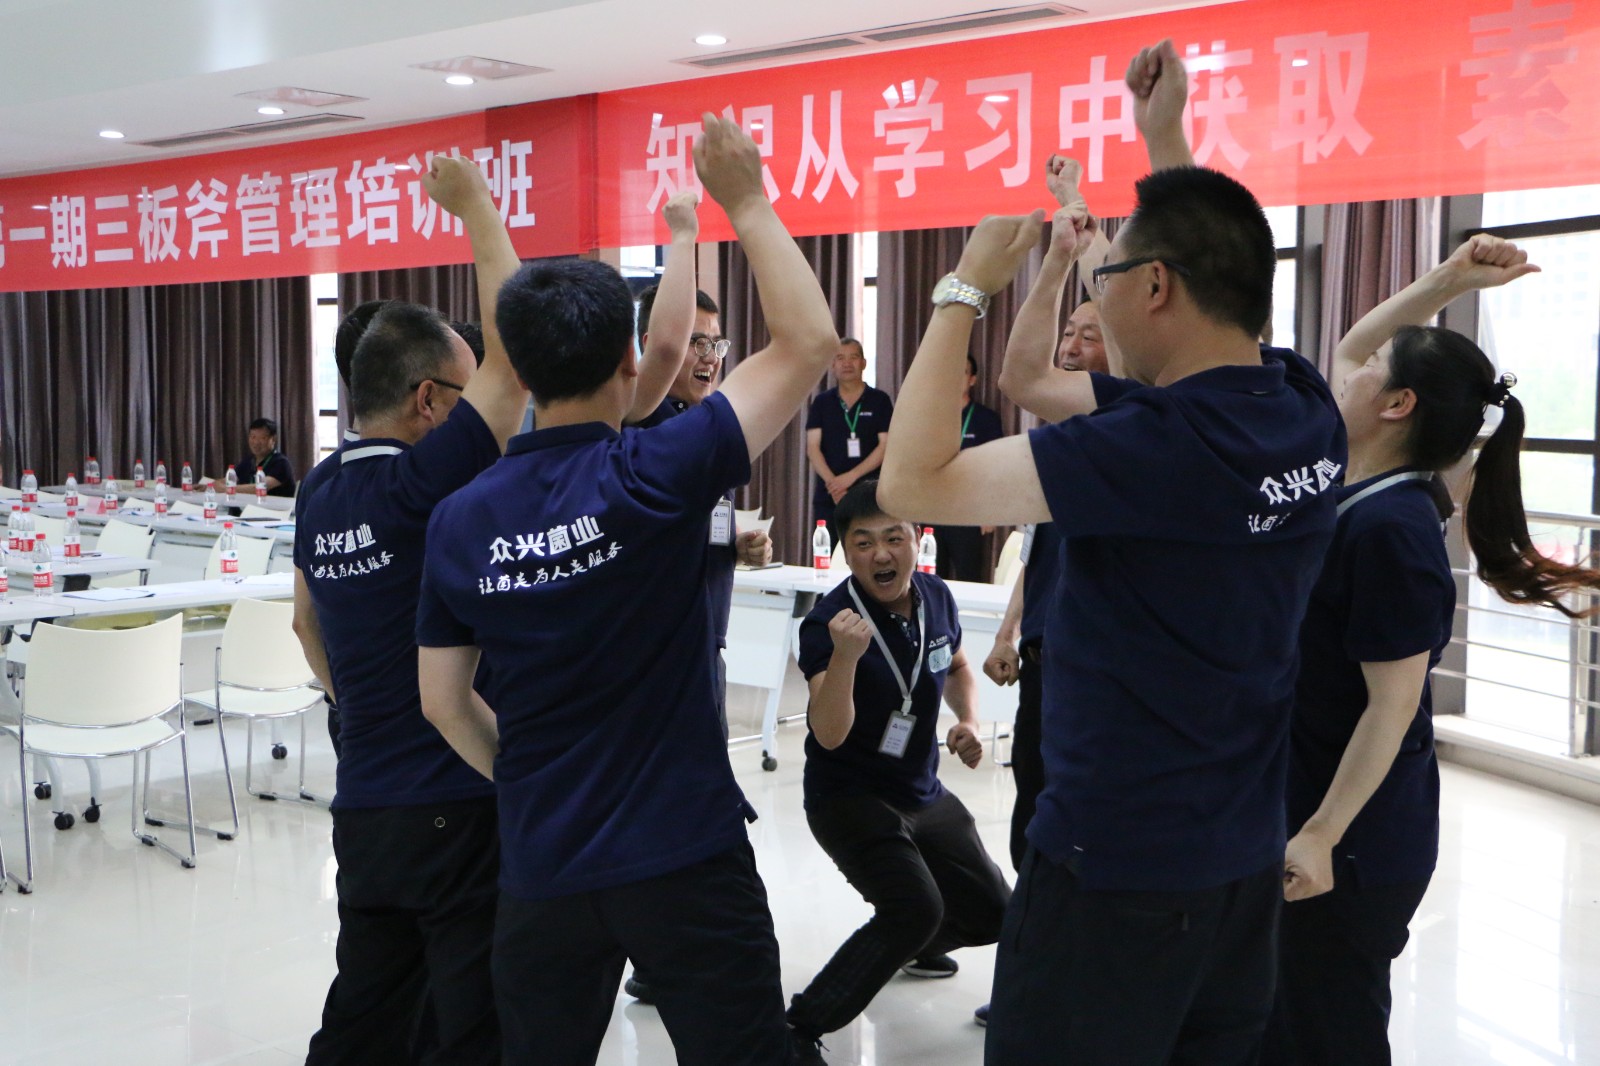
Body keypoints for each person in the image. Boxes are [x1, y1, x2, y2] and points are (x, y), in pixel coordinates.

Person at [877, 38, 1346, 1064]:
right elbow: (1215, 265)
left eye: (1113, 270)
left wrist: (966, 284)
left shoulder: (1144, 448)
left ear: (1156, 286)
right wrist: (1162, 133)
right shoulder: (1302, 406)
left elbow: (911, 484)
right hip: (1238, 866)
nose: (1103, 285)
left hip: (1115, 873)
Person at [414, 114, 839, 1065]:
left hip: (543, 861)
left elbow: (443, 702)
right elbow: (808, 340)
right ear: (629, 363)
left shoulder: (459, 519)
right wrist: (745, 199)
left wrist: (528, 782)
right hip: (684, 848)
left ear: (518, 371)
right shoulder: (656, 470)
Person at [1264, 234, 1598, 1065]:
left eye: (1374, 371)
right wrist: (1450, 278)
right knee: (1280, 1024)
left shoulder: (1393, 529)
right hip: (1308, 802)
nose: (1348, 372)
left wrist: (1321, 833)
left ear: (1398, 404)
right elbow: (1353, 345)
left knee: (1327, 1034)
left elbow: (1392, 707)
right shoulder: (1353, 477)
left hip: (1354, 841)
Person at [290, 156, 529, 1065]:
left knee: (366, 1013)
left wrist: (361, 706)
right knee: (470, 1023)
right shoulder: (420, 486)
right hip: (451, 799)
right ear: (429, 400)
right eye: (461, 394)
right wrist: (476, 208)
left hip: (366, 801)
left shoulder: (318, 491)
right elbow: (514, 360)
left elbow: (307, 625)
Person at [786, 478, 1011, 1048]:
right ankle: (798, 1030)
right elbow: (828, 735)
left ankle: (916, 946)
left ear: (917, 539)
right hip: (850, 796)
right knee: (912, 909)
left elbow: (956, 666)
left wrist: (968, 721)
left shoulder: (936, 597)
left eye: (894, 538)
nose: (881, 554)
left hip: (920, 787)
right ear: (845, 553)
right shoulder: (828, 623)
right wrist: (845, 658)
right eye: (863, 543)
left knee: (995, 912)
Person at [619, 280, 775, 1007]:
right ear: (651, 345)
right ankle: (665, 955)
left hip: (702, 647)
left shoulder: (697, 424)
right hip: (657, 662)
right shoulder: (636, 432)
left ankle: (663, 956)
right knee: (677, 808)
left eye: (716, 343)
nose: (708, 357)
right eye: (693, 342)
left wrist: (733, 543)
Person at [807, 338, 893, 538]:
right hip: (830, 496)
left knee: (868, 549)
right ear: (832, 365)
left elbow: (885, 446)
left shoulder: (880, 400)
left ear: (863, 363)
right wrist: (834, 485)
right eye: (840, 358)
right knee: (827, 552)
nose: (847, 363)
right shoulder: (822, 402)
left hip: (869, 494)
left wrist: (850, 477)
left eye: (853, 357)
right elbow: (812, 447)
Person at [929, 354, 1003, 582]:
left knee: (969, 578)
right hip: (931, 508)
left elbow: (995, 466)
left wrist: (989, 510)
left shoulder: (986, 418)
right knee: (930, 579)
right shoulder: (931, 416)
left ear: (972, 379)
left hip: (968, 511)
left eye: (962, 371)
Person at [236, 417, 295, 497]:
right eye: (253, 437)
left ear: (273, 439)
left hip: (274, 505)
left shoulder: (281, 463)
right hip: (249, 504)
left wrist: (228, 488)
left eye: (262, 438)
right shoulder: (248, 461)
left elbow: (259, 488)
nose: (256, 442)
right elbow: (227, 480)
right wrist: (219, 486)